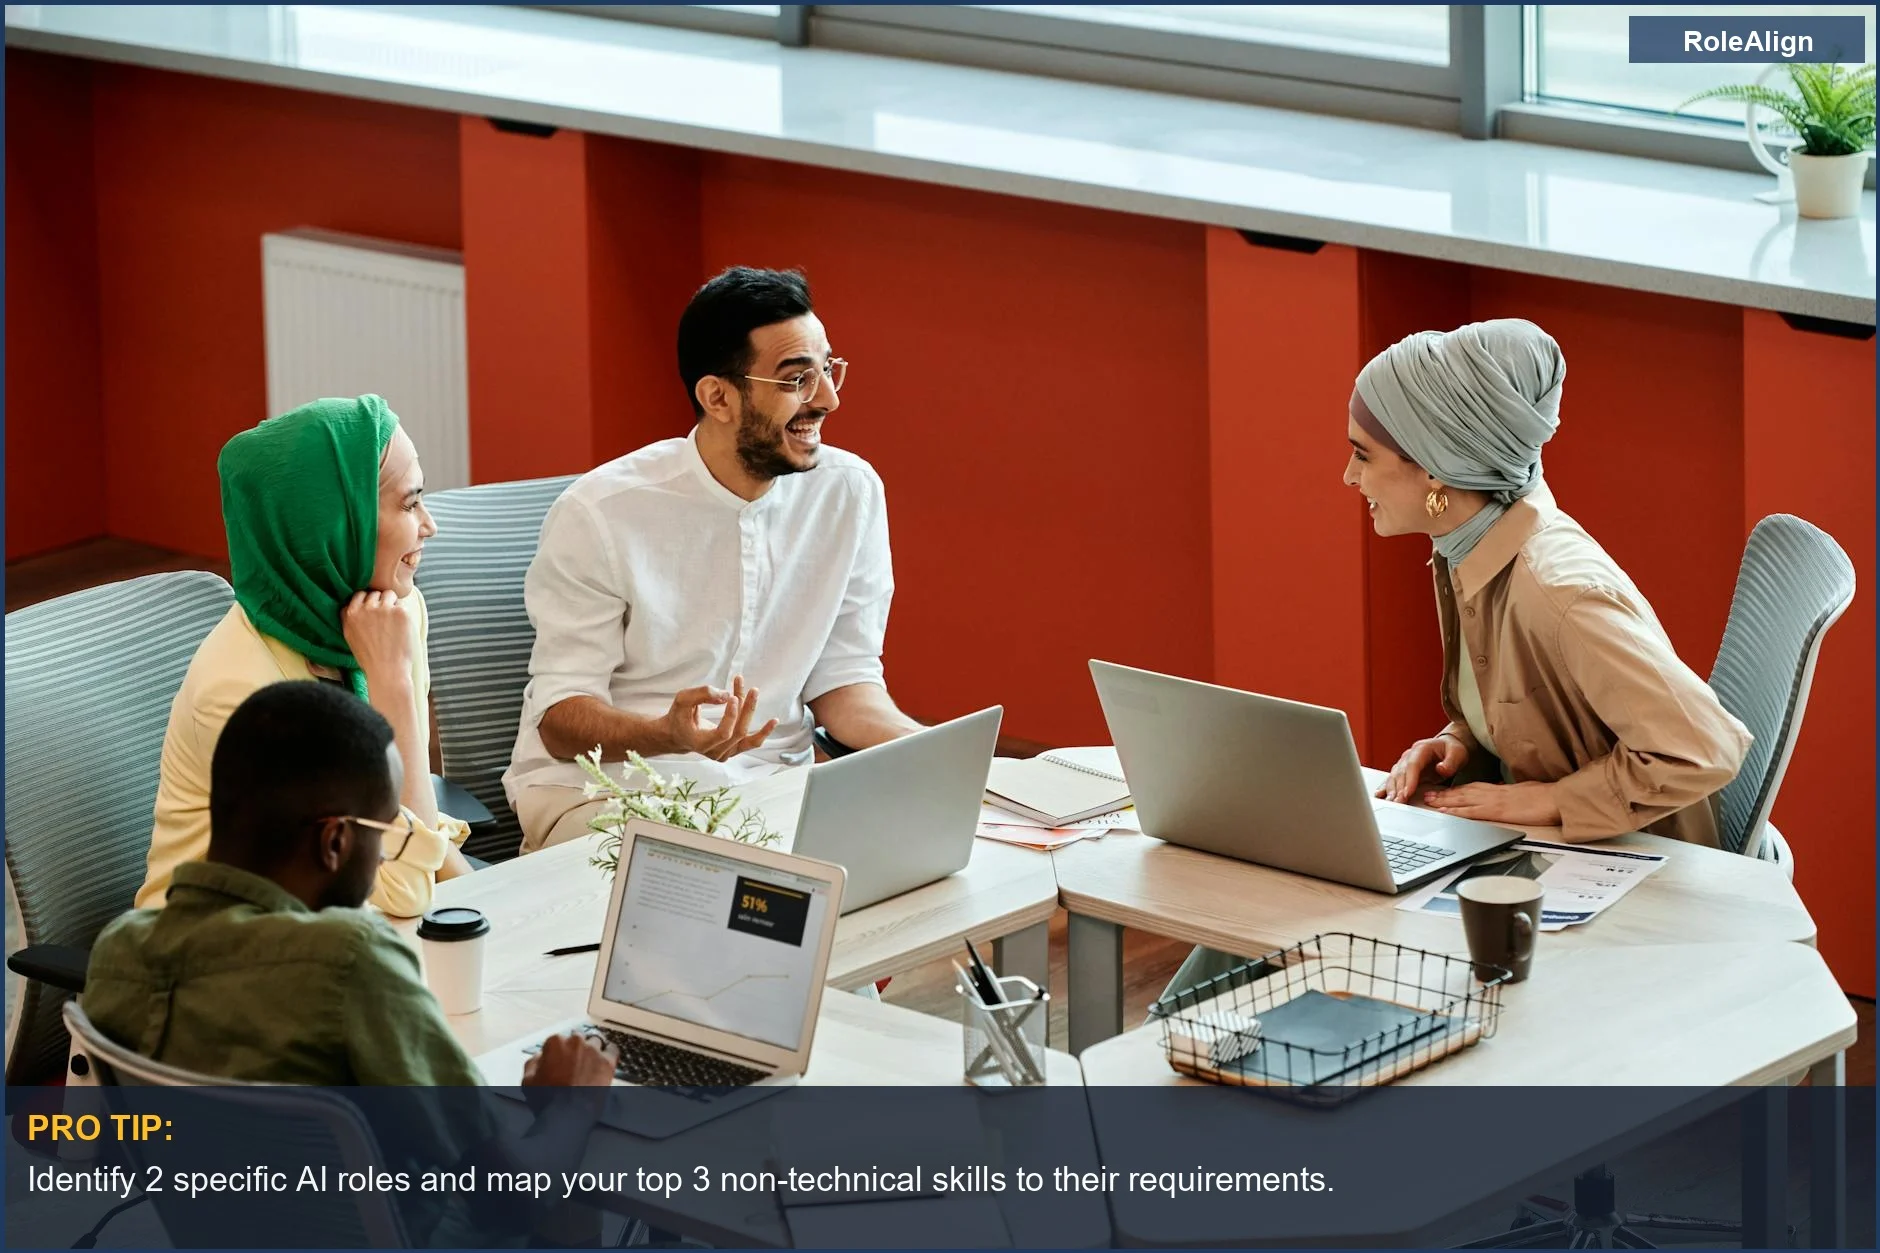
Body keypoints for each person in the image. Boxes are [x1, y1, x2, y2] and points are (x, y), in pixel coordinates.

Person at [1166, 319, 1750, 997]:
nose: (1348, 475)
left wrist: (1549, 800)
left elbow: (1706, 749)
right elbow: (1528, 710)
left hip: (1627, 886)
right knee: (1283, 892)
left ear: (1434, 467)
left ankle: (1144, 1080)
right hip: (1549, 855)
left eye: (1362, 454)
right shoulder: (1468, 546)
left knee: (1302, 909)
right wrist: (1456, 744)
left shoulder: (1557, 591)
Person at [84, 682, 616, 1241]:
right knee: (570, 1171)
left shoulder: (121, 949)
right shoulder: (348, 958)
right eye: (387, 832)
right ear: (334, 841)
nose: (387, 852)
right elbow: (508, 1201)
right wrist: (572, 1105)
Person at [505, 266, 922, 852]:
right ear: (718, 396)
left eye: (828, 369)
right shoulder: (601, 512)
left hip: (773, 789)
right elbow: (559, 718)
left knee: (926, 883)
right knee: (773, 900)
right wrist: (665, 735)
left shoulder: (849, 492)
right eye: (797, 379)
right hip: (613, 793)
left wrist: (939, 755)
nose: (827, 398)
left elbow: (846, 684)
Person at [138, 395, 472, 917]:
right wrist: (393, 688)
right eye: (409, 505)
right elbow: (400, 892)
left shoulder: (394, 612)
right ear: (337, 523)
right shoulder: (248, 691)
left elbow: (413, 841)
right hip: (222, 958)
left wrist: (494, 897)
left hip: (339, 923)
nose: (431, 525)